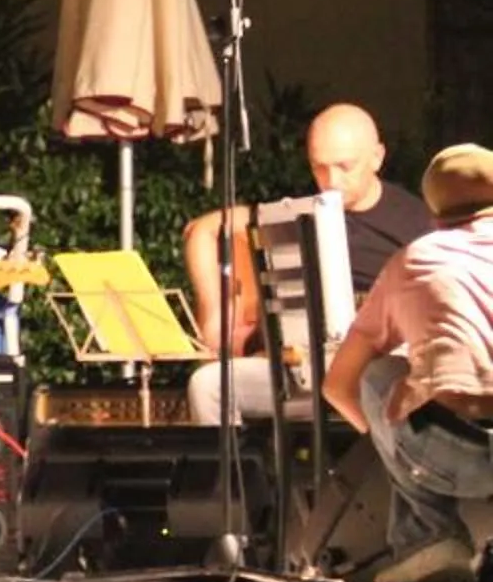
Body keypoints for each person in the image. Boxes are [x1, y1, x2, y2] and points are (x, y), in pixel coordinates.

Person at [183, 101, 434, 422]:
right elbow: (203, 229)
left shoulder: (418, 224)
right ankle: (243, 458)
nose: (332, 180)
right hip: (302, 365)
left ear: (377, 157)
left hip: (378, 366)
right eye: (319, 167)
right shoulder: (300, 212)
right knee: (208, 386)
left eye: (345, 166)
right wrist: (215, 314)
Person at [323, 143, 493, 582]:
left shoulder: (416, 258)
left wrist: (391, 447)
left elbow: (339, 384)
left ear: (433, 213)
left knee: (381, 379)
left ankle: (431, 542)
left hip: (454, 453)